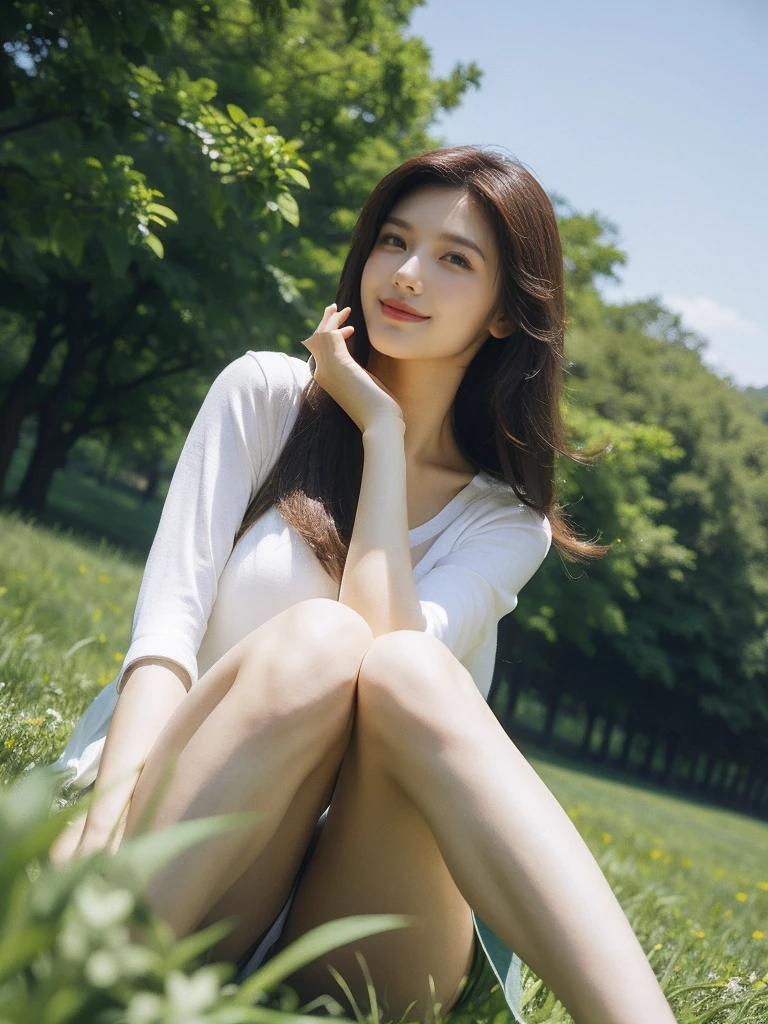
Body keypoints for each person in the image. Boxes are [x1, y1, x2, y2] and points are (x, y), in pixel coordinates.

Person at [46, 145, 677, 1024]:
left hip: (365, 905)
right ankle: (74, 979)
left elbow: (392, 656)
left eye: (455, 260)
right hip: (201, 841)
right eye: (393, 241)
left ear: (504, 316)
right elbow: (165, 635)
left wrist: (383, 433)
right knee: (323, 642)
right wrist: (109, 816)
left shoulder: (506, 522)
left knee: (408, 669)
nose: (408, 274)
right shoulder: (263, 397)